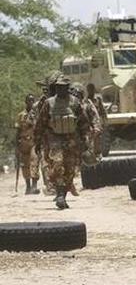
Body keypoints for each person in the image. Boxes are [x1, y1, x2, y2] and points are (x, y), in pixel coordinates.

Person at [34, 75, 90, 209]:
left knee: (70, 170)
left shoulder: (75, 103)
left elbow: (83, 123)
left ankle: (63, 196)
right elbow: (40, 123)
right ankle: (59, 195)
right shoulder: (49, 103)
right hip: (55, 140)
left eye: (62, 87)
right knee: (57, 166)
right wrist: (38, 141)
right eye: (58, 87)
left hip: (71, 141)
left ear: (67, 88)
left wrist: (85, 140)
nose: (60, 89)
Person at [15, 94, 41, 195]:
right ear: (26, 102)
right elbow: (17, 131)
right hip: (23, 142)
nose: (31, 102)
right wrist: (16, 146)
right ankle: (28, 187)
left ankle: (34, 186)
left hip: (34, 142)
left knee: (34, 162)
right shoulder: (21, 115)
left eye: (32, 100)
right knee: (25, 165)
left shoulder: (37, 115)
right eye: (29, 101)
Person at [85, 83, 107, 155]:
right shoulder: (86, 100)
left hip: (97, 121)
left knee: (98, 137)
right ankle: (91, 153)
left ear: (94, 90)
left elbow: (102, 109)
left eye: (92, 89)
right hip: (89, 121)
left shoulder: (98, 99)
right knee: (90, 138)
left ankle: (98, 152)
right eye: (89, 89)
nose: (90, 91)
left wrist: (104, 119)